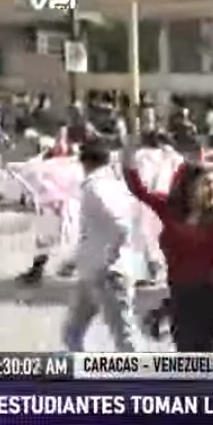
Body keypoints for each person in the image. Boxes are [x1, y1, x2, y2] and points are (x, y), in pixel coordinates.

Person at [122, 133, 213, 351]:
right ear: (189, 186)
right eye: (205, 184)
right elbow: (138, 189)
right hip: (181, 290)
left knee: (204, 346)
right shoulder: (170, 209)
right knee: (184, 344)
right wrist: (128, 152)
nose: (212, 189)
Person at [62, 138, 138, 352]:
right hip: (92, 273)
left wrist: (109, 258)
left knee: (125, 341)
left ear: (85, 163)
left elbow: (121, 226)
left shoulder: (96, 188)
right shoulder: (114, 185)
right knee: (72, 332)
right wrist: (74, 260)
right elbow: (94, 232)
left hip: (107, 275)